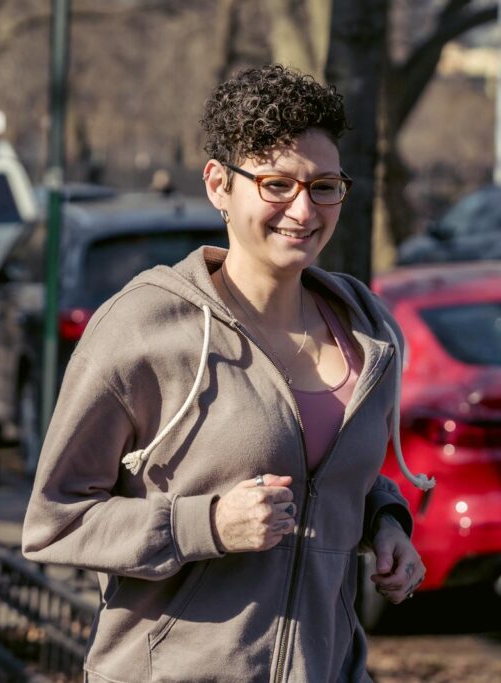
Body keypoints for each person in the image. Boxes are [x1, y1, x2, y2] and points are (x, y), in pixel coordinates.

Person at [22, 65, 432, 683]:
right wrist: (207, 524)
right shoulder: (146, 326)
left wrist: (385, 522)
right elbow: (56, 523)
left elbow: (328, 472)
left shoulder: (365, 329)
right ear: (219, 185)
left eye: (324, 186)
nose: (303, 209)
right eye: (276, 184)